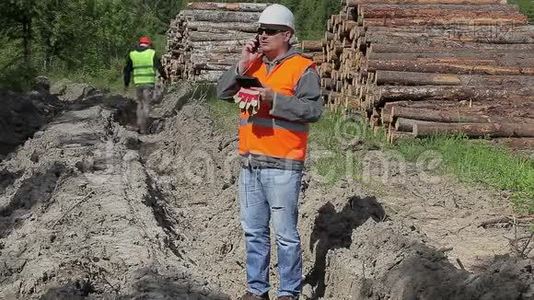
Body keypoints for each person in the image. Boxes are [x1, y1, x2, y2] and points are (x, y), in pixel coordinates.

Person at [216, 4, 323, 300]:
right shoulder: (254, 64)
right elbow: (222, 93)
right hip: (250, 163)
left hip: (282, 164)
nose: (263, 35)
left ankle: (288, 293)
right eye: (260, 30)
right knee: (254, 232)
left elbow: (313, 110)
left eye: (270, 31)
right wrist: (242, 63)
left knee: (285, 236)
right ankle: (256, 290)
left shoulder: (303, 68)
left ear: (287, 35)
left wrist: (273, 98)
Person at [123, 35, 167, 134]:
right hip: (149, 83)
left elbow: (127, 70)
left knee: (139, 104)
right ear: (148, 44)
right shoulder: (152, 53)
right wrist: (165, 77)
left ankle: (139, 124)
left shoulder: (132, 54)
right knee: (146, 104)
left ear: (139, 43)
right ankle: (144, 128)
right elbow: (159, 67)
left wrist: (126, 84)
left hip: (138, 83)